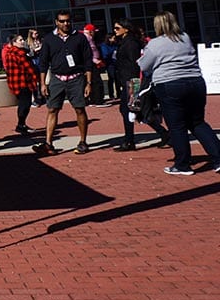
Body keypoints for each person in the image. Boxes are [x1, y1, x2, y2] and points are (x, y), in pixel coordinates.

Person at [138, 11, 220, 176]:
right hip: (195, 81)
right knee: (197, 122)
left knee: (177, 125)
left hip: (170, 83)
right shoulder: (185, 37)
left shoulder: (154, 44)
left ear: (157, 25)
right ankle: (218, 158)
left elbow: (144, 65)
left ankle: (183, 164)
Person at [34, 11, 93, 156]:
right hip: (57, 79)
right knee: (52, 109)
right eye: (62, 21)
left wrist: (89, 83)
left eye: (67, 21)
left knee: (80, 109)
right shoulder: (49, 39)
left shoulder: (79, 38)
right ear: (56, 22)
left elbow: (88, 61)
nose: (65, 24)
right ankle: (48, 143)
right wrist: (42, 84)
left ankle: (83, 141)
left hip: (76, 78)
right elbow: (43, 63)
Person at [112, 18, 167, 151]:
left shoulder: (131, 43)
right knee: (136, 110)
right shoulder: (124, 42)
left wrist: (134, 84)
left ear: (126, 29)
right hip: (126, 80)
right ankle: (163, 133)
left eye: (117, 28)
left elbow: (135, 64)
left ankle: (129, 141)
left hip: (132, 82)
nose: (115, 31)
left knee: (129, 110)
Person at [4, 33, 37, 135]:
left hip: (16, 82)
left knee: (24, 104)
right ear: (14, 43)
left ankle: (21, 124)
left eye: (23, 39)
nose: (23, 41)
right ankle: (21, 124)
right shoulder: (19, 54)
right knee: (25, 104)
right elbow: (28, 68)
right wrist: (35, 78)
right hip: (23, 82)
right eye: (20, 40)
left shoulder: (11, 53)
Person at [82, 24, 110, 107]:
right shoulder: (86, 39)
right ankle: (98, 100)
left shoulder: (89, 39)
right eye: (94, 31)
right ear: (90, 31)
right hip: (91, 63)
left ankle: (94, 99)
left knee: (94, 81)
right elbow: (87, 52)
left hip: (92, 62)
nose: (95, 33)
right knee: (96, 81)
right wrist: (95, 60)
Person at [26, 29, 45, 106]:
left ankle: (42, 97)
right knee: (34, 82)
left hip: (40, 60)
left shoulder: (40, 41)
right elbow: (28, 53)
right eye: (35, 34)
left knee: (41, 80)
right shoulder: (27, 43)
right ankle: (36, 99)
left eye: (37, 33)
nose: (37, 35)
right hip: (33, 62)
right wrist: (36, 50)